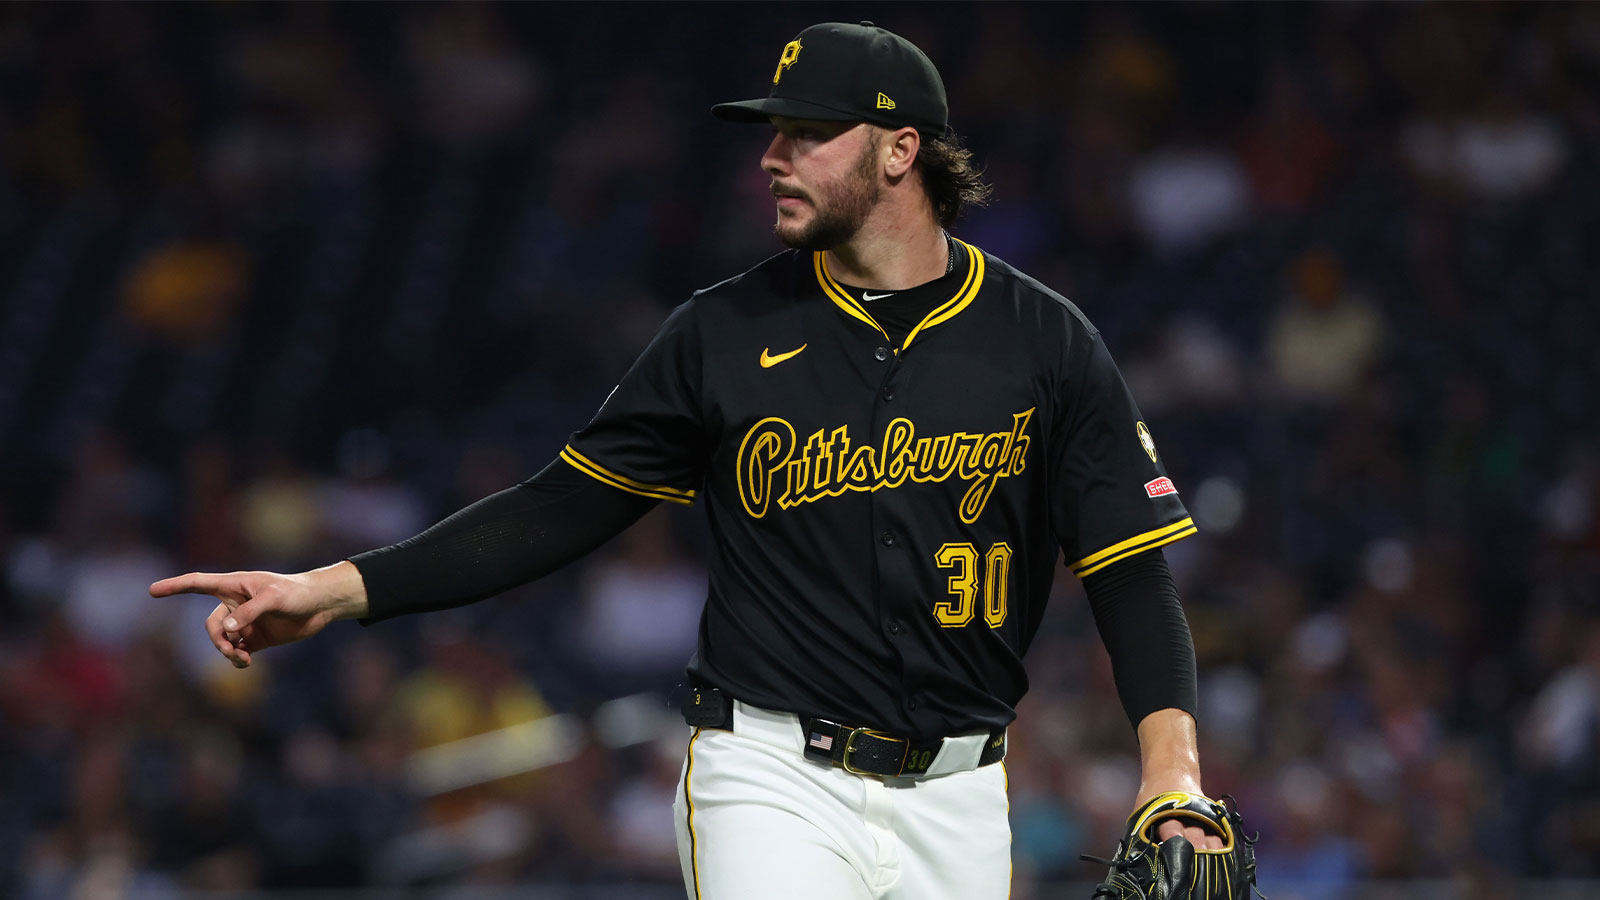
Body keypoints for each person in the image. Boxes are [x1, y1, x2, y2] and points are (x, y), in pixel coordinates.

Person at [153, 21, 1221, 900]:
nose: (772, 155)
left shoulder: (1044, 340)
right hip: (769, 775)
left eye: (808, 133)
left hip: (962, 792)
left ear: (901, 150)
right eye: (773, 133)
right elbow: (554, 510)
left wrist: (1170, 774)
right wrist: (332, 590)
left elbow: (1128, 569)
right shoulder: (722, 334)